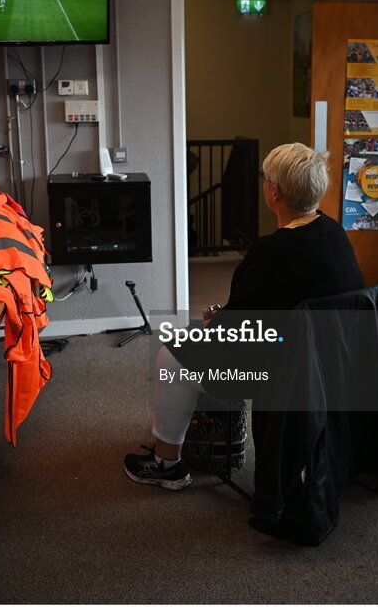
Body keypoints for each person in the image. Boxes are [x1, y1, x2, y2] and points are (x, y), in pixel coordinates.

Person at [123, 143, 364, 490]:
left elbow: (237, 326)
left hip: (285, 369)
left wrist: (214, 321)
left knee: (171, 356)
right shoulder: (335, 233)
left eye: (266, 178)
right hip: (335, 361)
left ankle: (166, 465)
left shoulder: (271, 251)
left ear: (274, 192)